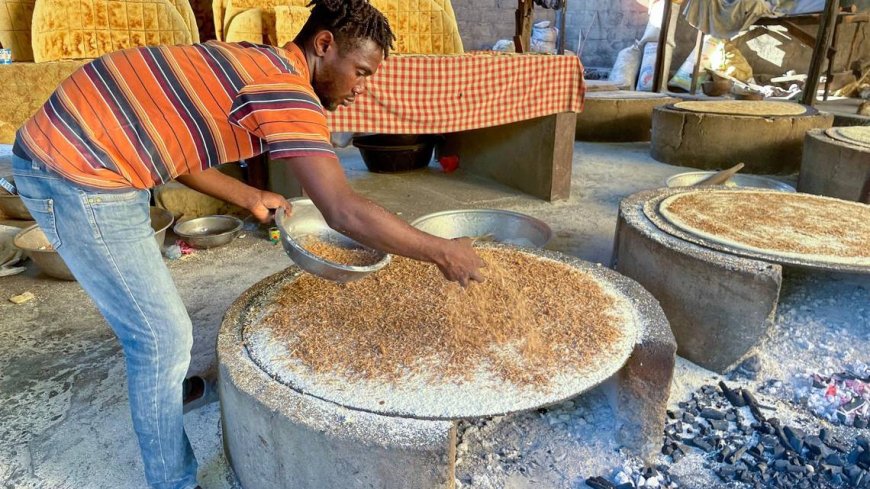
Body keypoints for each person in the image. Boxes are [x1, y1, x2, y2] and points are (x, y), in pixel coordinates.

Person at [11, 0, 485, 487]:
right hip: (73, 169)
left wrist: (248, 193)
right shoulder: (287, 91)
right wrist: (441, 251)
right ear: (323, 45)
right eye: (360, 71)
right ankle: (172, 481)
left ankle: (171, 391)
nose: (359, 88)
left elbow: (173, 146)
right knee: (160, 337)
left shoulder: (258, 63)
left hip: (99, 149)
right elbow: (342, 209)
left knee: (159, 335)